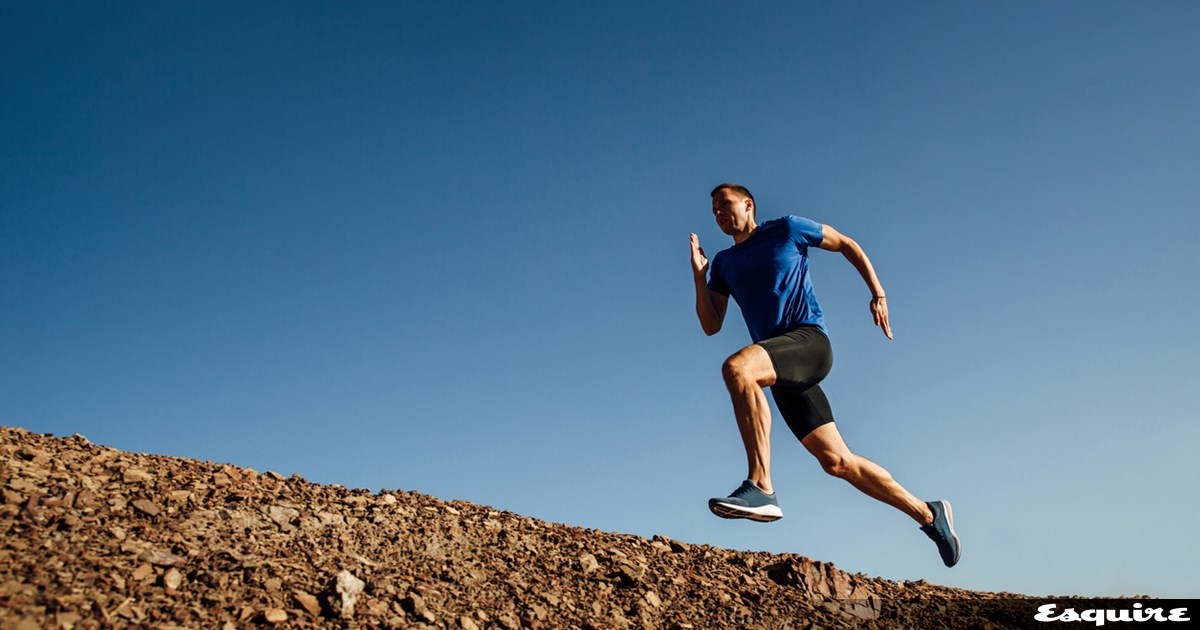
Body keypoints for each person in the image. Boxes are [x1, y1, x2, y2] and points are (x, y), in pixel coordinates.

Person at [690, 183, 961, 568]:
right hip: (776, 364)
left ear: (748, 204)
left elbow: (847, 243)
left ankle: (761, 486)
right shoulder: (723, 264)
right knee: (837, 461)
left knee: (738, 368)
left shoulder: (786, 229)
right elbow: (711, 325)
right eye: (713, 209)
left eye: (725, 205)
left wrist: (878, 292)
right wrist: (700, 277)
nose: (718, 214)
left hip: (807, 342)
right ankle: (929, 515)